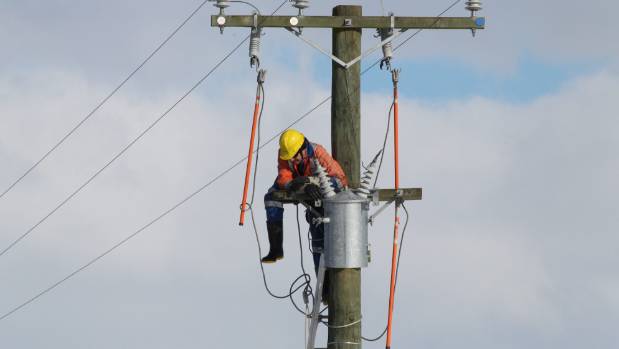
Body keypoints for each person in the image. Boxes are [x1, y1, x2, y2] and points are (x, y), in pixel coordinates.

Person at [262, 129, 348, 272]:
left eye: (294, 157)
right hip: (299, 186)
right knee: (271, 197)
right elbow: (283, 175)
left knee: (318, 242)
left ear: (303, 149)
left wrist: (311, 182)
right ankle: (276, 248)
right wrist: (292, 185)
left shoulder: (318, 153)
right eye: (288, 158)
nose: (291, 160)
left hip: (321, 197)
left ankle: (325, 286)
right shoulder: (285, 154)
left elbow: (340, 181)